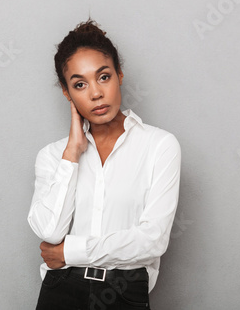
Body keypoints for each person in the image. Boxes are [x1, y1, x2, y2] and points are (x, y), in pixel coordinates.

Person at [28, 18, 181, 310]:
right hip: (61, 291)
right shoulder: (52, 156)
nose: (95, 93)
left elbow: (152, 241)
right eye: (80, 84)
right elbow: (49, 232)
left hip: (124, 292)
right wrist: (72, 153)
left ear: (119, 75)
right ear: (67, 93)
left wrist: (70, 252)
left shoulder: (160, 146)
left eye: (104, 77)